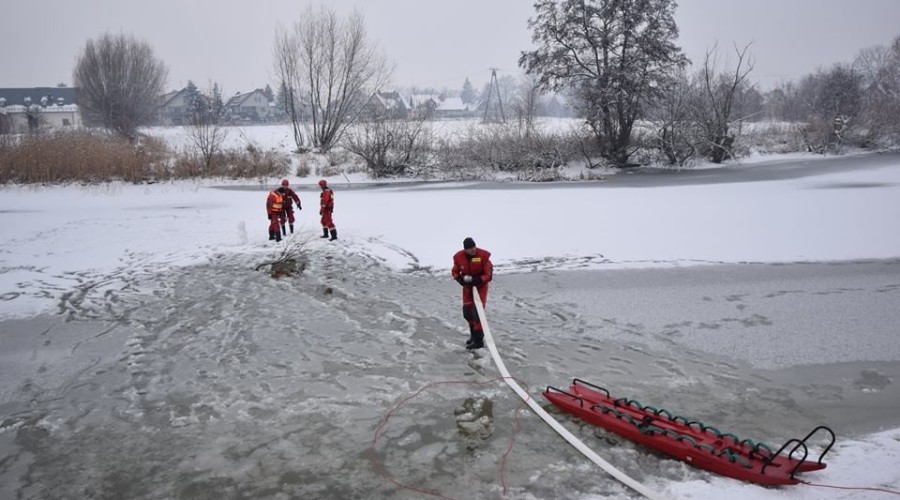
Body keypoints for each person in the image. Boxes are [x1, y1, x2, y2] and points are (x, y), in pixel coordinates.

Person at [451, 237, 493, 350]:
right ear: (465, 250)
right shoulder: (459, 257)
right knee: (467, 313)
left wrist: (477, 279)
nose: (473, 250)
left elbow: (488, 274)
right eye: (470, 249)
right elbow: (454, 271)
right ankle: (473, 335)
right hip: (467, 288)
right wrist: (460, 279)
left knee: (477, 313)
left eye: (474, 247)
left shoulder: (483, 256)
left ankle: (479, 341)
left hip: (480, 287)